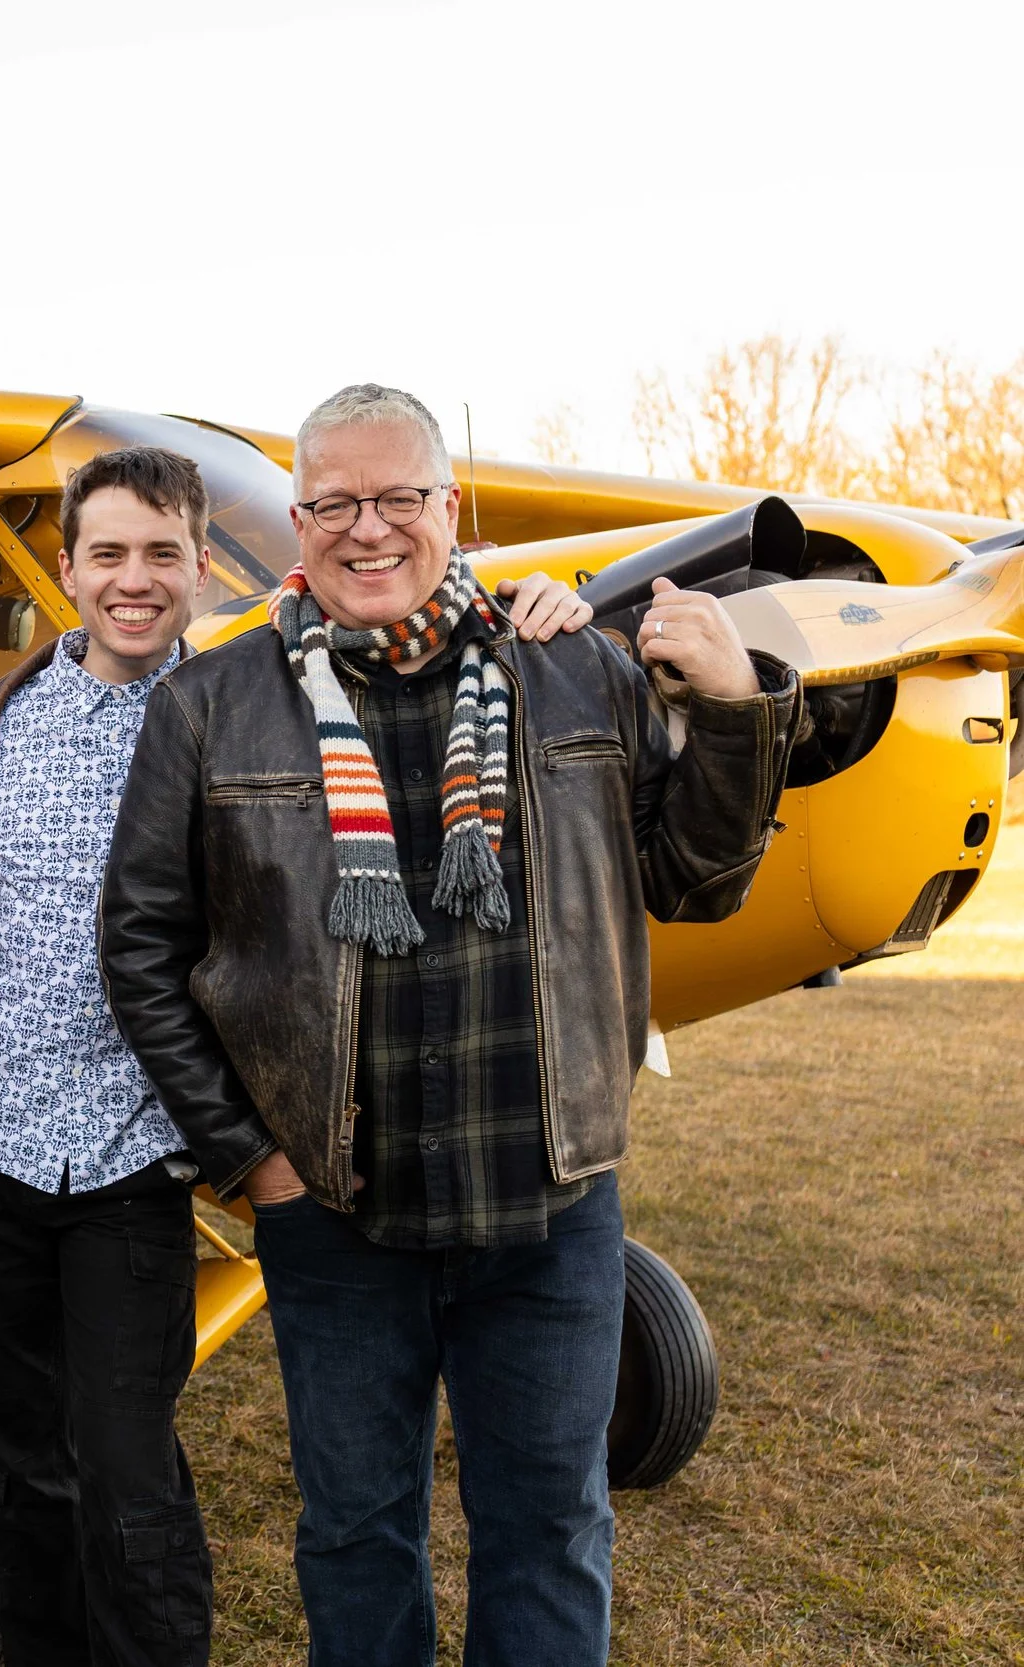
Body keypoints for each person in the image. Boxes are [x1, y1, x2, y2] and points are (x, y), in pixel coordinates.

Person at [102, 384, 800, 1667]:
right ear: (300, 519)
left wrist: (736, 706)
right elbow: (141, 951)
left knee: (547, 1528)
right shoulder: (207, 704)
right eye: (333, 503)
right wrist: (254, 1164)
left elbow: (697, 880)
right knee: (357, 1534)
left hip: (545, 1205)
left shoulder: (572, 664)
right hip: (337, 1214)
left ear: (448, 508)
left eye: (397, 498)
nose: (367, 529)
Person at [0, 445, 594, 1667]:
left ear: (201, 570)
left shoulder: (247, 701)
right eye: (105, 554)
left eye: (164, 553)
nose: (133, 579)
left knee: (125, 1466)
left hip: (136, 1152)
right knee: (16, 1460)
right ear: (63, 567)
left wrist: (535, 600)